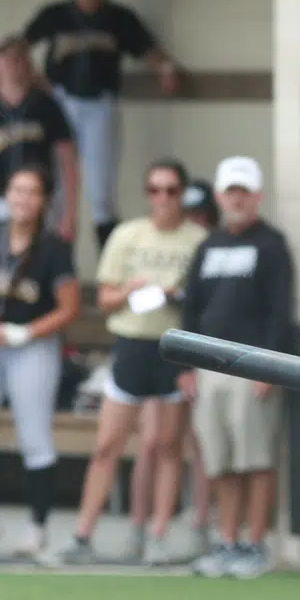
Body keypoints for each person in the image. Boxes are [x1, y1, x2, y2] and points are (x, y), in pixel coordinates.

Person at [60, 158, 206, 566]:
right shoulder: (127, 235)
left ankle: (157, 533)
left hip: (175, 347)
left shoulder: (197, 240)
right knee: (108, 444)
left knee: (167, 447)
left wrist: (176, 295)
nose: (162, 199)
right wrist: (130, 288)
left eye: (171, 191)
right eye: (155, 190)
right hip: (131, 344)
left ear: (182, 195)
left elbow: (203, 301)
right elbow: (104, 299)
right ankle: (83, 533)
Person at [178, 156, 295, 579]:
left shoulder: (271, 245)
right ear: (220, 197)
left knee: (256, 457)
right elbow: (191, 308)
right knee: (221, 459)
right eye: (231, 192)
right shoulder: (207, 247)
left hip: (252, 366)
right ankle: (227, 542)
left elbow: (280, 312)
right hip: (209, 368)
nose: (237, 199)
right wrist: (186, 365)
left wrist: (271, 365)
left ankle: (254, 543)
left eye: (244, 192)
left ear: (257, 196)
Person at [23, 0, 183, 247]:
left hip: (100, 105)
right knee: (55, 189)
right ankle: (56, 270)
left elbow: (147, 49)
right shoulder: (55, 14)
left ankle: (108, 273)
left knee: (101, 192)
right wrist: (32, 78)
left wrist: (166, 67)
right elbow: (19, 46)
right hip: (60, 102)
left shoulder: (118, 17)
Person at [0, 164, 79, 561]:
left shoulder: (52, 246)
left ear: (44, 199)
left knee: (34, 436)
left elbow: (69, 308)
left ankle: (37, 528)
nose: (23, 199)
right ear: (6, 195)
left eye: (32, 192)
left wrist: (26, 333)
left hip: (31, 345)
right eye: (17, 190)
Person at [0, 35, 78, 247]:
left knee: (40, 267)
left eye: (19, 58)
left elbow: (68, 161)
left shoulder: (47, 105)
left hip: (40, 201)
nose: (14, 64)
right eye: (8, 58)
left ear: (28, 63)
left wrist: (69, 214)